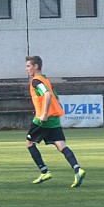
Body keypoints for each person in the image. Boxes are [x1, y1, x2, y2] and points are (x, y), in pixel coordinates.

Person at [23, 56, 86, 187]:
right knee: (60, 144)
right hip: (54, 118)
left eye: (28, 66)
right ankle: (77, 169)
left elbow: (48, 94)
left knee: (29, 143)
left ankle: (44, 171)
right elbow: (55, 96)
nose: (26, 69)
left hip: (43, 119)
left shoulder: (36, 81)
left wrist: (45, 113)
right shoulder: (45, 79)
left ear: (36, 66)